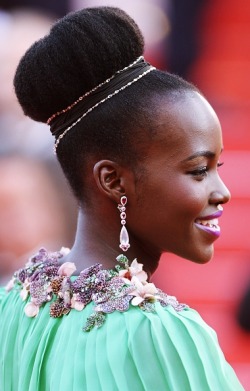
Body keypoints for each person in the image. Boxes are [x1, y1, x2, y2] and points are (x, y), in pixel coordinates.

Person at [0, 6, 244, 391]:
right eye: (198, 170)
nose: (223, 191)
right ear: (112, 180)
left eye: (218, 167)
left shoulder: (14, 303)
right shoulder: (161, 336)